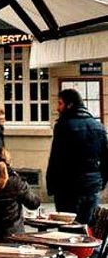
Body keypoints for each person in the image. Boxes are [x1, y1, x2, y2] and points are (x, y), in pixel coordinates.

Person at [46, 88, 108, 225]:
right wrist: (101, 182)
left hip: (67, 188)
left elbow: (56, 158)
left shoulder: (63, 126)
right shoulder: (99, 127)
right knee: (87, 228)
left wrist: (51, 184)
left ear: (70, 105)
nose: (58, 108)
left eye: (60, 103)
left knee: (68, 229)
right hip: (92, 186)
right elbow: (105, 159)